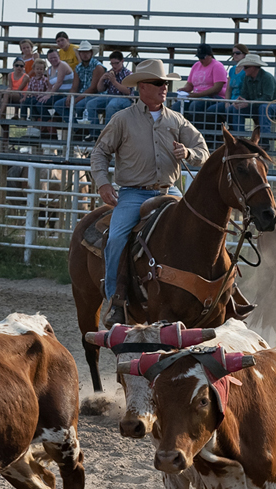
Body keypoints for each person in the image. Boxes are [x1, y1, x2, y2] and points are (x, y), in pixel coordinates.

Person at [89, 59, 209, 327]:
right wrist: (103, 182)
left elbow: (203, 151)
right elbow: (100, 152)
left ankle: (218, 290)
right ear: (142, 87)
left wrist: (188, 153)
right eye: (158, 83)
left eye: (165, 83)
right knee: (117, 237)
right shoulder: (122, 120)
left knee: (201, 231)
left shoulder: (177, 120)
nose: (164, 87)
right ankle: (115, 299)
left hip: (171, 190)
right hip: (133, 194)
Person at [230, 54, 276, 138]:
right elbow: (244, 94)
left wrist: (248, 103)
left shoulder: (267, 77)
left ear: (254, 67)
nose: (244, 69)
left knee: (264, 108)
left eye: (246, 67)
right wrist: (240, 101)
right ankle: (240, 137)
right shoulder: (247, 78)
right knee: (235, 108)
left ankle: (264, 140)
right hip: (258, 105)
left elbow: (267, 98)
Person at [184, 44, 230, 133]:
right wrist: (184, 90)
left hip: (214, 97)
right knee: (177, 106)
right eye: (199, 57)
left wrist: (198, 95)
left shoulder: (217, 66)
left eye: (203, 57)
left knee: (196, 105)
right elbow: (189, 85)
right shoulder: (196, 66)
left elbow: (217, 88)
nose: (201, 60)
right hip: (197, 96)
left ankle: (197, 132)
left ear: (210, 56)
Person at [82, 51, 135, 127]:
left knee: (111, 106)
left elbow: (128, 91)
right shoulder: (110, 72)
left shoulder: (128, 74)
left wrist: (114, 82)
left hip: (124, 98)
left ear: (122, 61)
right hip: (109, 96)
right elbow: (100, 89)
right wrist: (102, 79)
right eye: (112, 63)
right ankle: (94, 133)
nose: (114, 66)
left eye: (116, 63)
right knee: (90, 104)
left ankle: (108, 132)